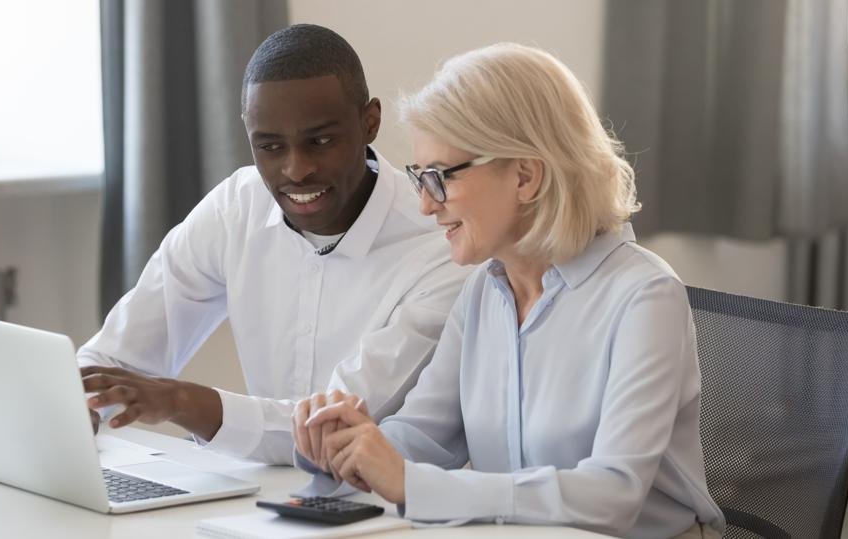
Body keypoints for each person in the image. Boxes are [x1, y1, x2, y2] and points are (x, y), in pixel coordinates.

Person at [294, 43, 727, 539]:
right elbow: (424, 434)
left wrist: (411, 482)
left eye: (438, 178)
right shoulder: (485, 288)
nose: (425, 206)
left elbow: (614, 495)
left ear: (525, 176)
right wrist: (347, 449)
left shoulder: (645, 297)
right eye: (420, 178)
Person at [77, 24, 470, 465]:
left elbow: (336, 425)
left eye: (319, 141)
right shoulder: (237, 207)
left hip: (380, 510)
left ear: (369, 122)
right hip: (258, 496)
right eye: (269, 146)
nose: (295, 170)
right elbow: (116, 357)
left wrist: (181, 401)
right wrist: (74, 404)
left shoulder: (439, 245)